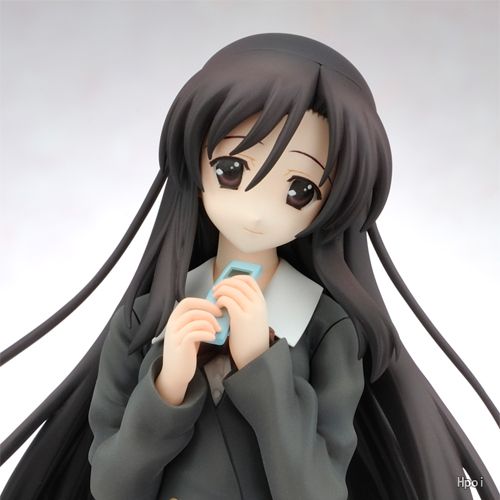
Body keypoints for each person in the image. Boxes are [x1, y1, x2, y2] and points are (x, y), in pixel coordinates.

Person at [1, 33, 498, 500]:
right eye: (231, 170)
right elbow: (111, 487)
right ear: (196, 163)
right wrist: (166, 387)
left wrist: (263, 367)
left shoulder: (327, 333)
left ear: (332, 203)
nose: (258, 212)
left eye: (299, 189)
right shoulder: (146, 319)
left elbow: (317, 491)